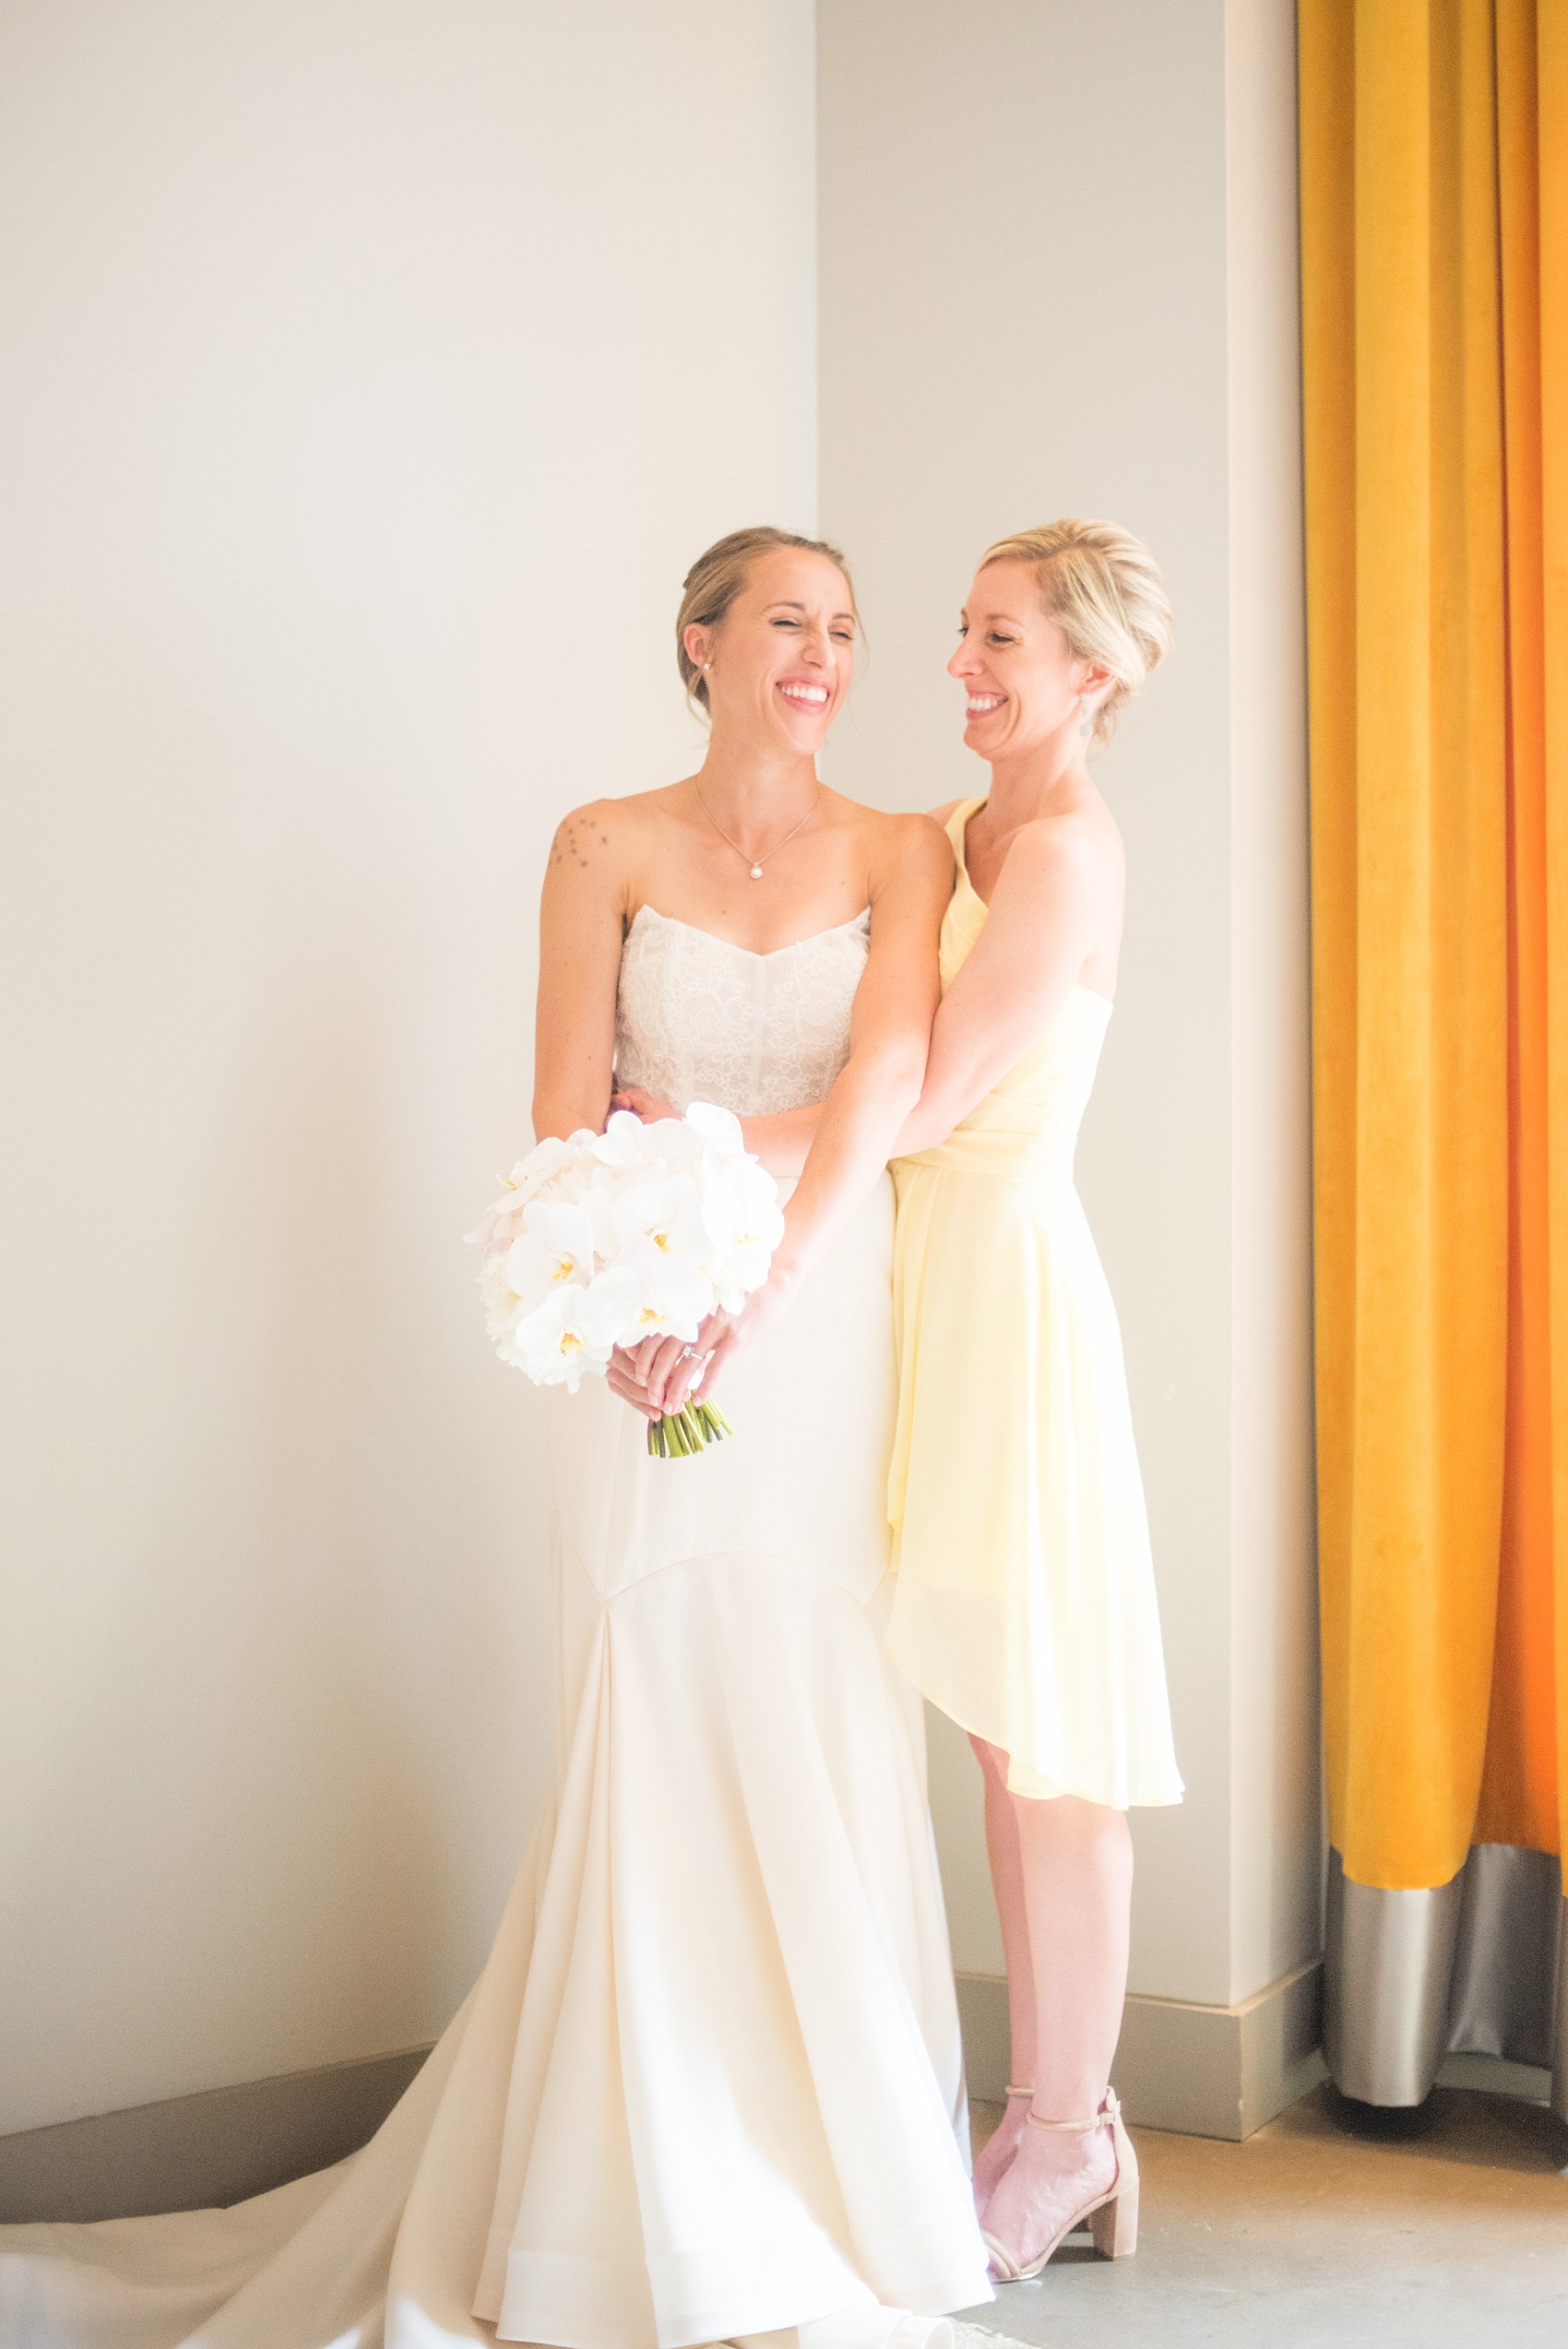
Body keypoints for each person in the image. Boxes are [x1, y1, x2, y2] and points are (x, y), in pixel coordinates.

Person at [0, 528, 992, 2347]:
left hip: (813, 1317)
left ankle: (826, 2172)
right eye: (788, 620)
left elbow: (885, 1087)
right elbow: (558, 1113)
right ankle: (623, 2178)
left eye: (845, 629)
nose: (824, 654)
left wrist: (704, 1186)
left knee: (811, 1685)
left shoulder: (901, 847)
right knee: (651, 1690)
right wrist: (632, 1284)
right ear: (698, 641)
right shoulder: (601, 842)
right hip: (629, 1329)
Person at [883, 521, 1183, 2284]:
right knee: (980, 1726)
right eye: (965, 632)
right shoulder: (937, 836)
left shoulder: (1066, 853)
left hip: (1003, 1290)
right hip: (906, 1290)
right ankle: (1034, 2114)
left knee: (1041, 1738)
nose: (965, 665)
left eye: (1002, 639)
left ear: (1095, 671)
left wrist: (691, 1160)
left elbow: (919, 1097)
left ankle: (1070, 2132)